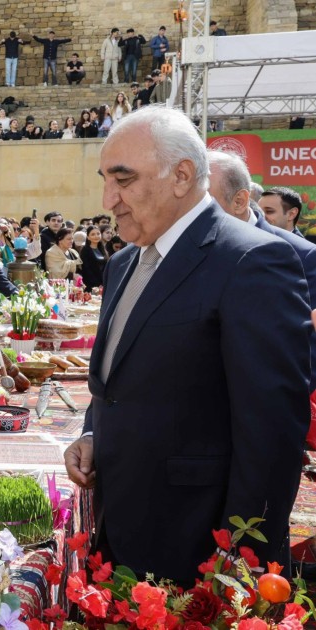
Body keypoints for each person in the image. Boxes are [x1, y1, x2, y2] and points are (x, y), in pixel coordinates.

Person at [64, 106, 311, 584]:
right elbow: (116, 376)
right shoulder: (123, 264)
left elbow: (272, 435)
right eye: (105, 179)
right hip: (121, 528)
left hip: (198, 552)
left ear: (181, 176)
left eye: (124, 179)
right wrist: (94, 432)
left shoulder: (254, 261)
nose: (107, 198)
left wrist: (239, 565)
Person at [207, 150, 316, 389]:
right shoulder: (193, 247)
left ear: (239, 201)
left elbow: (307, 345)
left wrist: (285, 401)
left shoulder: (303, 255)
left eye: (205, 200)